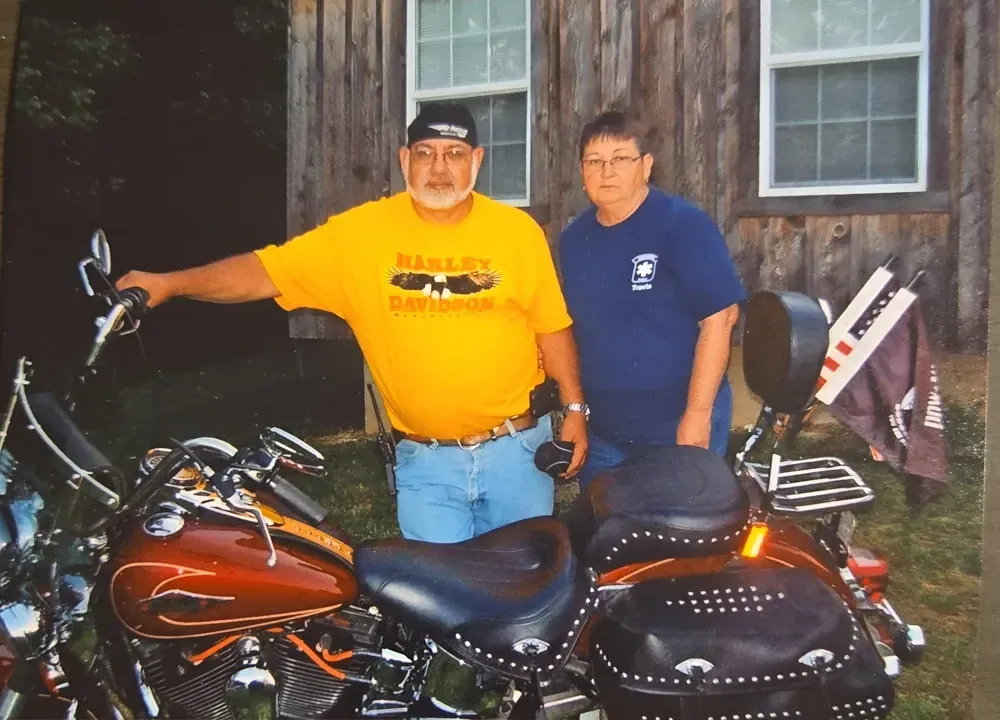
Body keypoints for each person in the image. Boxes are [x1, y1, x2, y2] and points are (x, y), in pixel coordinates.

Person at [115, 101, 590, 542]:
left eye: (454, 153)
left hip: (517, 452)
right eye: (425, 153)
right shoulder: (360, 236)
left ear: (477, 161)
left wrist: (574, 412)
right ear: (405, 160)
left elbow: (552, 325)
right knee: (437, 612)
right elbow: (266, 271)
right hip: (426, 464)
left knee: (527, 596)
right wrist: (170, 284)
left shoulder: (517, 234)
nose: (440, 168)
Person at [557, 109, 746, 488]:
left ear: (645, 166)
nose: (606, 172)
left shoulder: (681, 225)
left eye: (620, 159)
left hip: (675, 425)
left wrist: (697, 413)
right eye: (594, 161)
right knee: (608, 535)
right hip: (605, 433)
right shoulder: (573, 241)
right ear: (582, 173)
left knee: (680, 537)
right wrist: (576, 411)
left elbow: (720, 317)